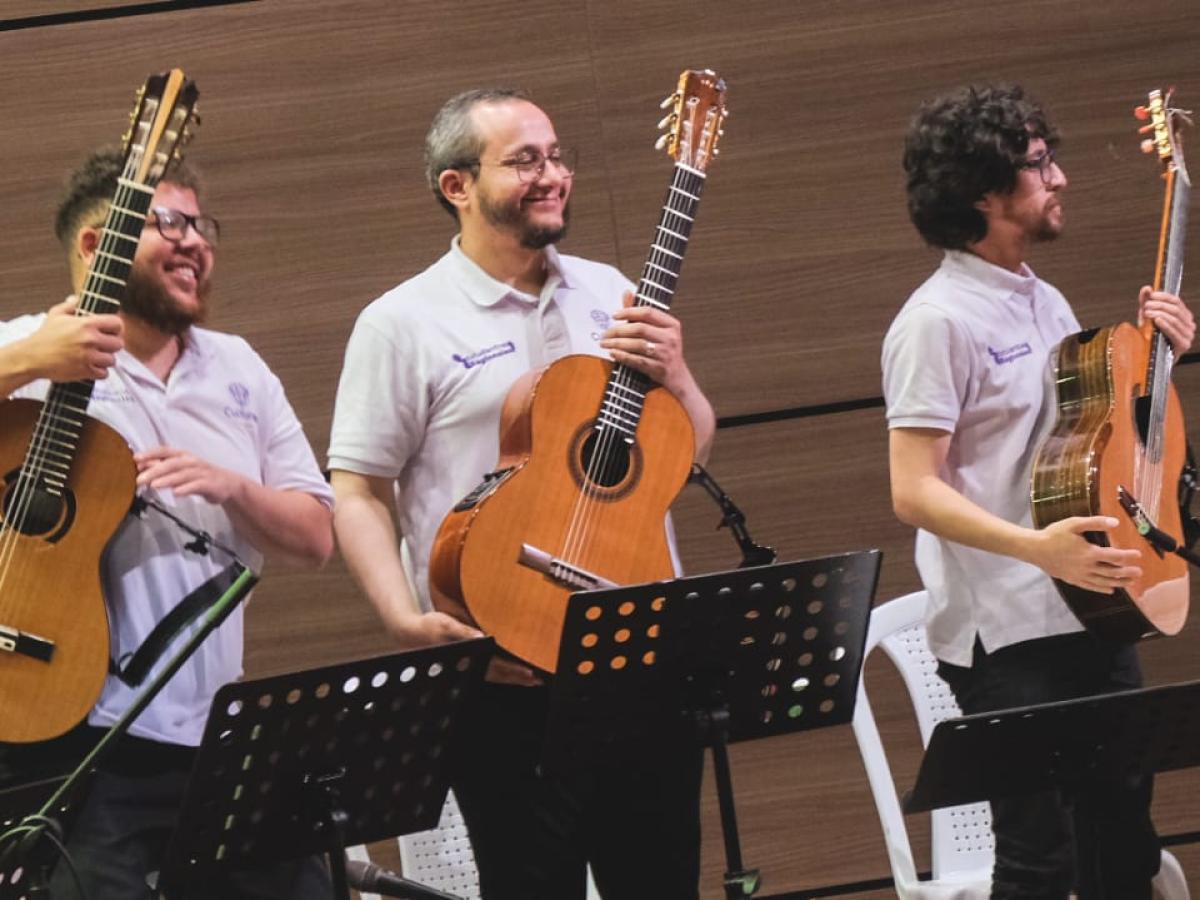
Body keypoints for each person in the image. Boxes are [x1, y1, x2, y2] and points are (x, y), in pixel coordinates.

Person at [328, 87, 716, 900]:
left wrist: (677, 373)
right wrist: (401, 616)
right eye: (525, 160)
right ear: (457, 187)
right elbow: (358, 487)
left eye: (557, 155)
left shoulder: (610, 289)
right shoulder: (403, 322)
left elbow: (678, 456)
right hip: (506, 678)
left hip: (637, 656)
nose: (553, 175)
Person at [883, 83, 1195, 898]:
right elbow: (912, 491)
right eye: (1037, 164)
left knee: (1123, 846)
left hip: (1092, 605)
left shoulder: (1043, 298)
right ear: (983, 194)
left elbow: (1095, 449)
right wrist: (1036, 548)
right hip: (1005, 633)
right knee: (1041, 858)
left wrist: (1160, 361)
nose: (1059, 178)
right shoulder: (936, 321)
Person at [0, 148, 335, 899]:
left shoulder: (239, 367)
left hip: (216, 732)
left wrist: (231, 488)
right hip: (75, 743)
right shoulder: (28, 344)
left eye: (202, 226)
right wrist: (29, 358)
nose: (196, 243)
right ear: (99, 243)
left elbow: (316, 537)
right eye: (172, 223)